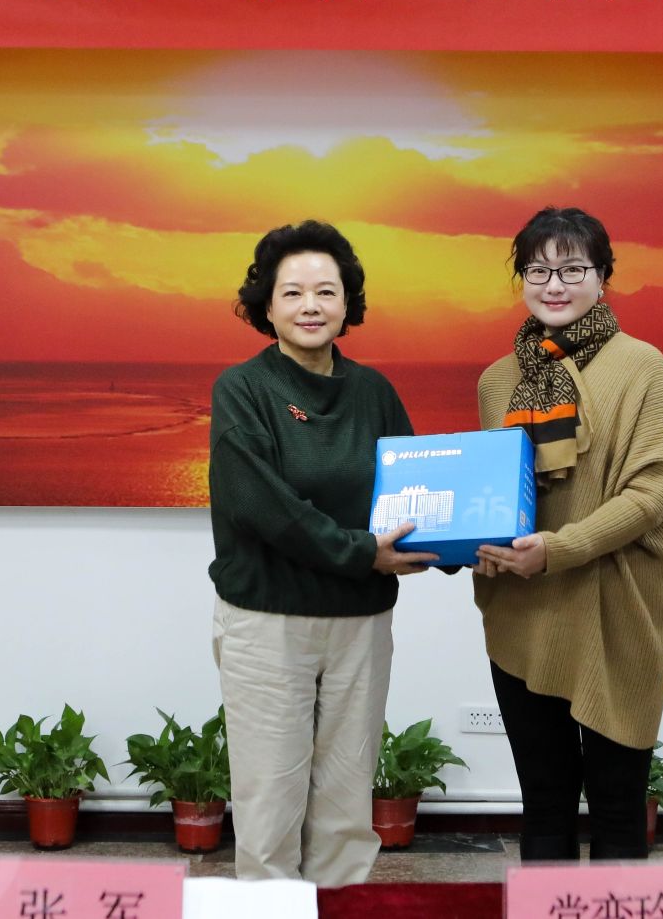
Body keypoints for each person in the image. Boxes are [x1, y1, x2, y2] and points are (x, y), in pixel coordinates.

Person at [207, 219, 437, 885]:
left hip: (360, 623)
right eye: (293, 292)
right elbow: (265, 507)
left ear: (346, 303)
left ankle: (341, 907)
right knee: (270, 803)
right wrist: (363, 552)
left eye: (326, 291)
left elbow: (416, 491)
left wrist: (459, 541)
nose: (311, 306)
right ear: (267, 304)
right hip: (268, 622)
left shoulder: (374, 392)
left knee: (345, 802)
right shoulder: (242, 389)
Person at [472, 205, 663, 860]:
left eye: (572, 268)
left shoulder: (642, 366)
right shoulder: (498, 381)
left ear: (602, 277)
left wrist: (559, 549)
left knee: (619, 808)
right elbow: (494, 494)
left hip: (614, 612)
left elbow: (650, 494)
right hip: (524, 612)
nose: (554, 284)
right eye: (538, 270)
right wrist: (462, 540)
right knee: (543, 804)